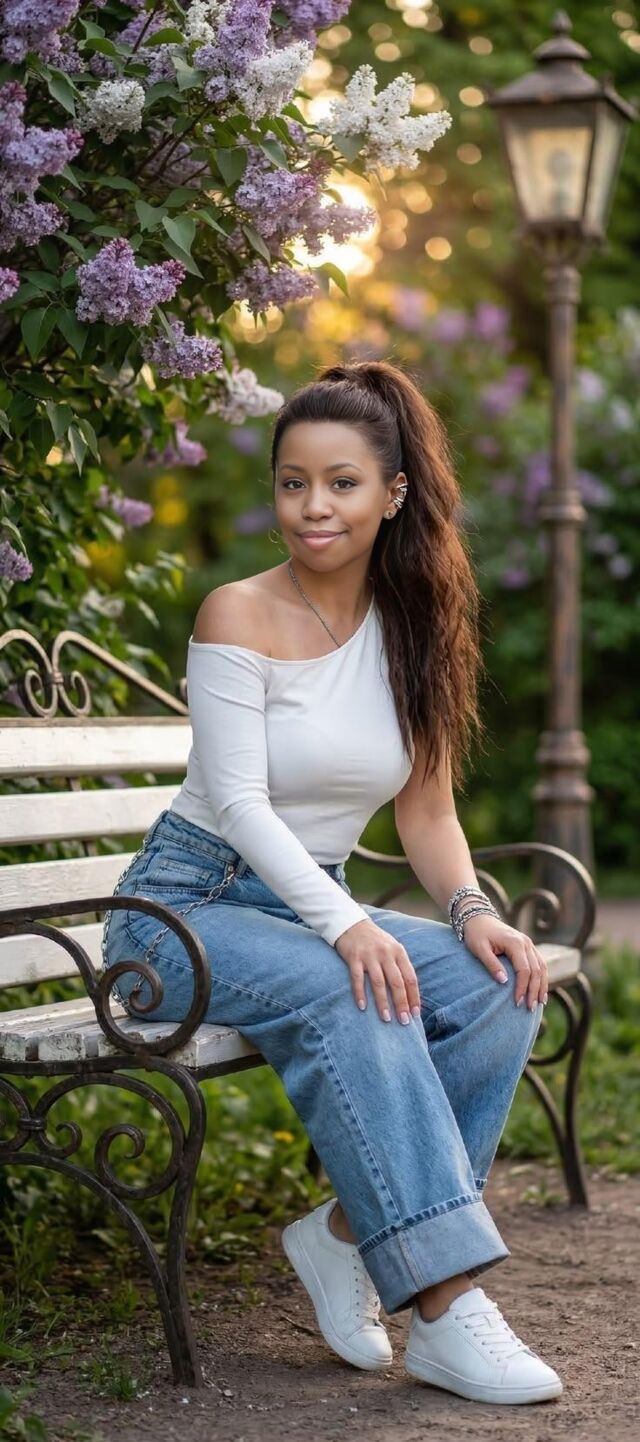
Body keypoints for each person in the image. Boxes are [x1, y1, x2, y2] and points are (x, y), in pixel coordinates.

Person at [103, 359, 562, 1406]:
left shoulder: (415, 627)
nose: (313, 505)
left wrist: (473, 913)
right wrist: (349, 926)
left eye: (342, 483)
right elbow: (239, 803)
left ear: (393, 492)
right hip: (180, 910)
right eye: (293, 481)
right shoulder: (236, 613)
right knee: (354, 983)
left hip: (305, 903)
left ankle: (350, 1234)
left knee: (499, 983)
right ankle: (444, 1308)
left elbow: (427, 811)